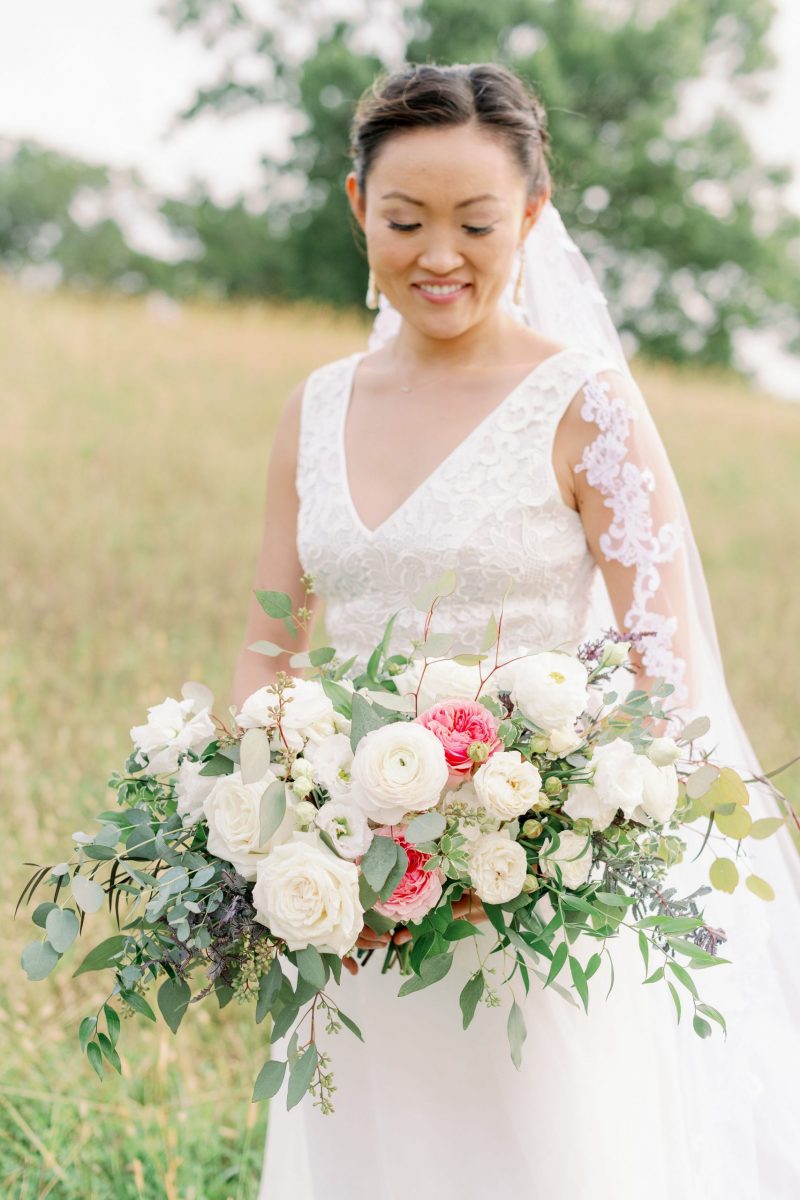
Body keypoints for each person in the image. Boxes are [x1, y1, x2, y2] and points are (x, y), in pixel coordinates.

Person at [230, 62, 799, 1199]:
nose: (438, 254)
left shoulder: (585, 403)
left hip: (534, 895)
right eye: (405, 221)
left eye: (476, 223)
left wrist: (534, 827)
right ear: (358, 207)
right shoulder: (316, 405)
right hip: (348, 888)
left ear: (532, 216)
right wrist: (270, 807)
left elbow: (664, 669)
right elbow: (268, 645)